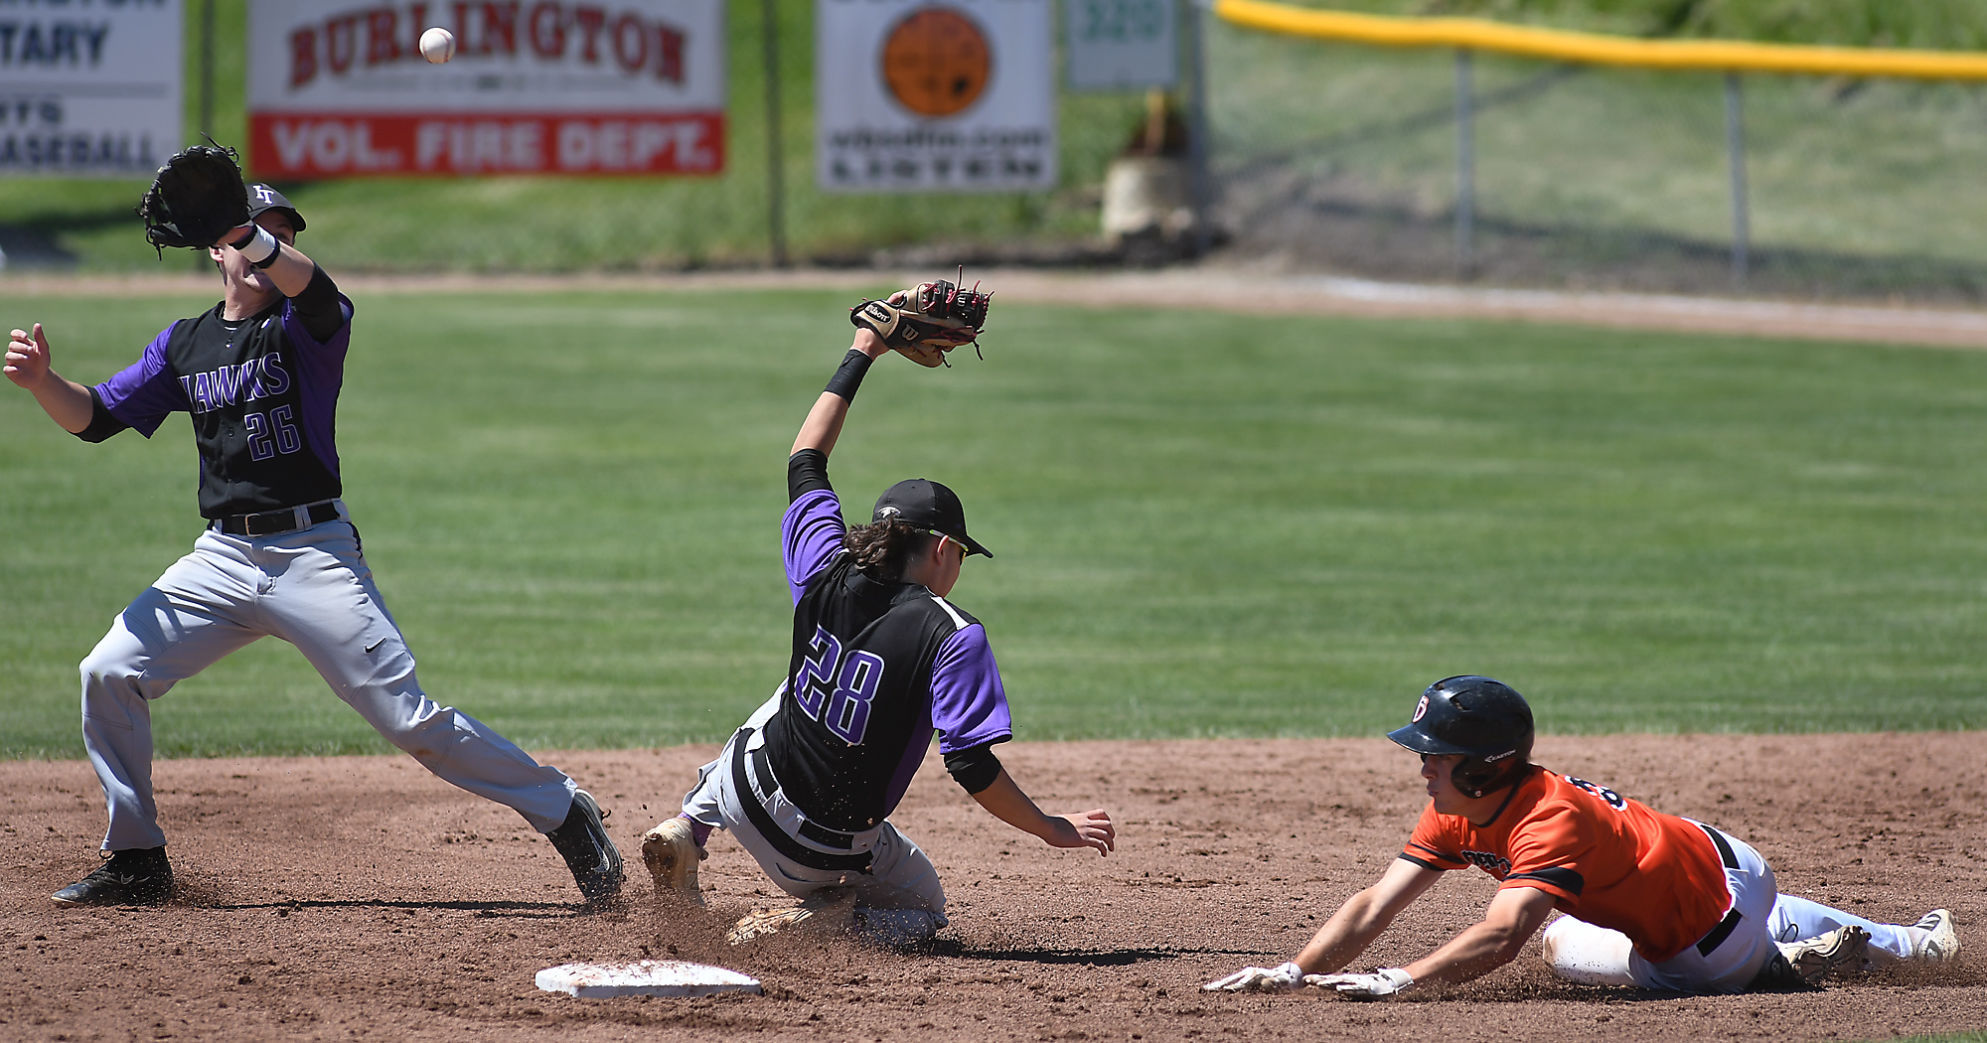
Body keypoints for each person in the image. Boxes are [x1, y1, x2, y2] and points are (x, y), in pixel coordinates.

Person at [5, 185, 622, 907]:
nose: (269, 245)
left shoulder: (308, 328)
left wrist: (249, 232)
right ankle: (137, 858)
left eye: (278, 233)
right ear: (213, 249)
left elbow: (316, 285)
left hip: (314, 554)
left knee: (407, 718)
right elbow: (96, 417)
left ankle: (562, 808)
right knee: (108, 670)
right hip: (221, 561)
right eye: (248, 233)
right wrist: (45, 383)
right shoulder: (185, 343)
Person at [637, 324, 1116, 946]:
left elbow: (805, 457)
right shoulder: (953, 634)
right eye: (963, 554)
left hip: (741, 792)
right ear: (943, 548)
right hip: (815, 850)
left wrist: (865, 348)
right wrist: (1050, 826)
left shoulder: (824, 564)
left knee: (788, 695)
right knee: (922, 912)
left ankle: (688, 827)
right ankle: (815, 925)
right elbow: (969, 762)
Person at [1204, 675, 1959, 998]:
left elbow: (1499, 935)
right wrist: (1296, 968)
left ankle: (1777, 962)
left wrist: (1403, 978)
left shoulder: (1548, 821)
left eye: (1434, 750)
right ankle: (1911, 940)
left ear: (1484, 761)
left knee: (1561, 944)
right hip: (1727, 859)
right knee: (1578, 929)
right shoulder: (1461, 800)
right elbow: (1376, 903)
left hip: (1701, 946)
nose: (1422, 760)